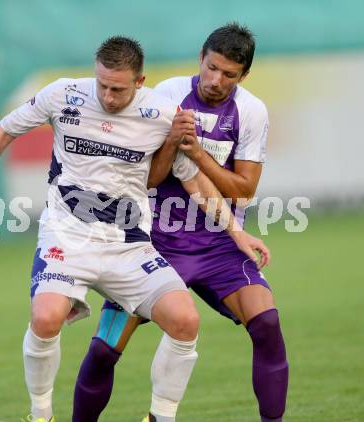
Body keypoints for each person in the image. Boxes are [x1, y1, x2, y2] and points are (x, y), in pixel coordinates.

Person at [0, 36, 269, 422]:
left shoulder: (162, 114)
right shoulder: (63, 95)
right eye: (102, 84)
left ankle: (160, 418)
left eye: (118, 88)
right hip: (68, 235)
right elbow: (2, 131)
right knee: (47, 316)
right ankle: (40, 415)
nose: (108, 96)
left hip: (128, 243)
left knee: (185, 320)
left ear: (140, 82)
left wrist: (237, 233)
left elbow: (193, 182)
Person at [72, 23, 288, 422]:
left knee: (268, 324)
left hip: (219, 243)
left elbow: (243, 192)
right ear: (201, 59)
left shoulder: (251, 111)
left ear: (244, 76)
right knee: (105, 350)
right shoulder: (168, 95)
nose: (216, 80)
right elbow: (147, 174)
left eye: (229, 74)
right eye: (211, 68)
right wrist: (173, 143)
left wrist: (198, 152)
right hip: (153, 242)